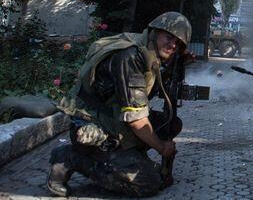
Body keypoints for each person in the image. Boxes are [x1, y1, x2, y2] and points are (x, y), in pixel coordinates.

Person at [47, 12, 192, 197]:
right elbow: (136, 120)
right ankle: (70, 157)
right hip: (96, 125)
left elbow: (148, 86)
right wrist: (161, 147)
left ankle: (127, 157)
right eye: (169, 37)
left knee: (170, 124)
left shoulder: (146, 49)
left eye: (178, 43)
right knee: (149, 182)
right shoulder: (130, 56)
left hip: (113, 118)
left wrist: (178, 63)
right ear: (155, 32)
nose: (172, 45)